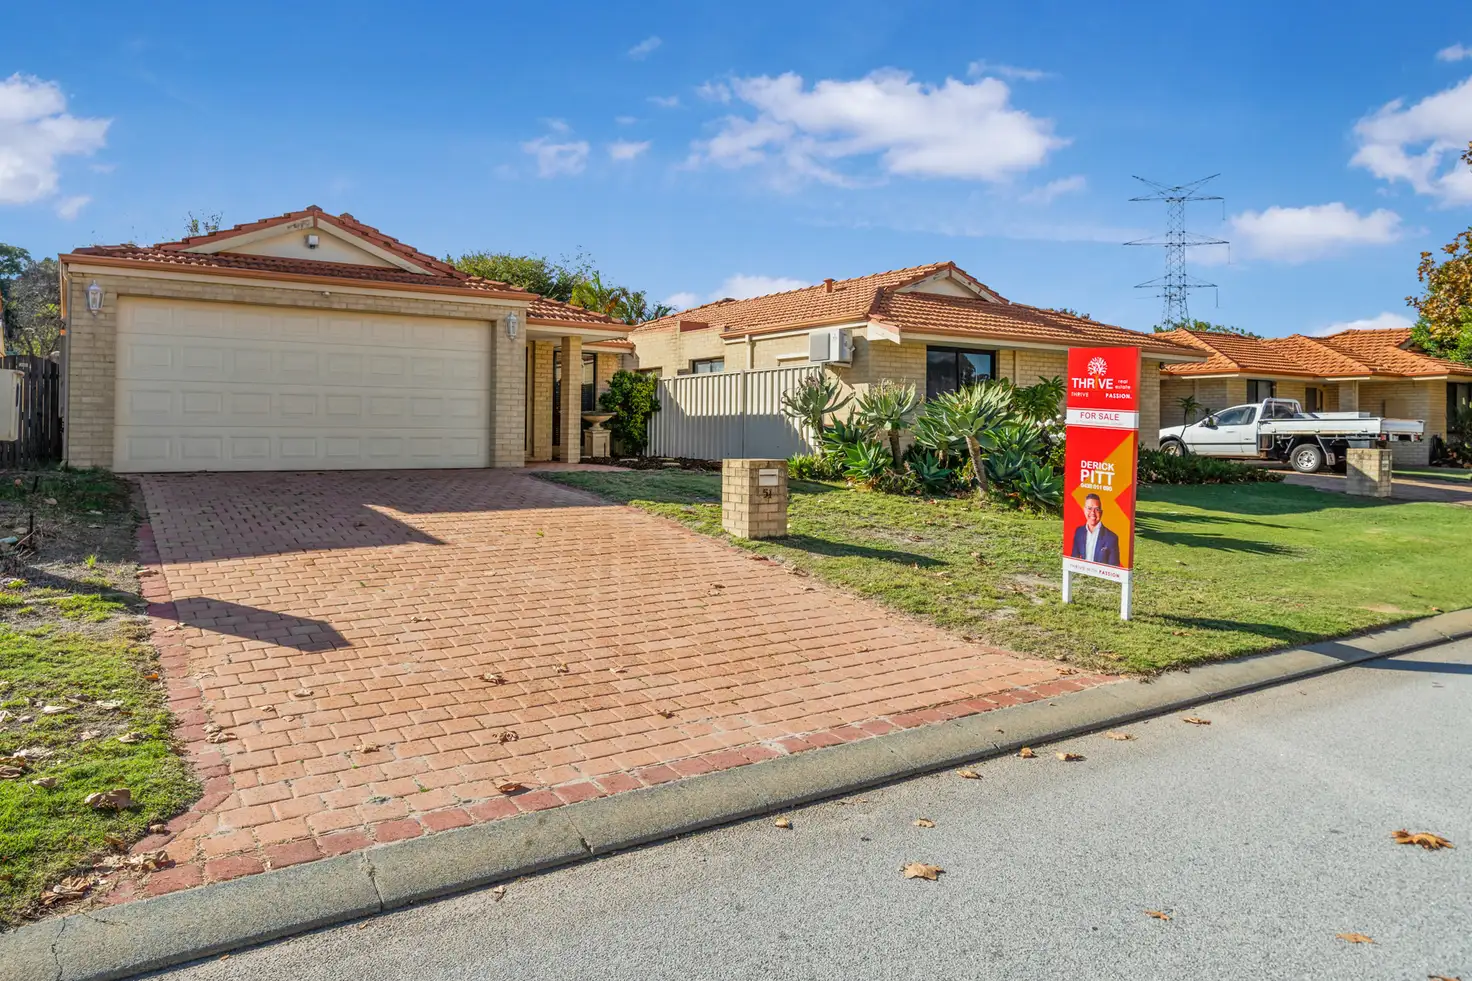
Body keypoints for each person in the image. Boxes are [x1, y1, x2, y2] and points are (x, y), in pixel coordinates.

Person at [1070, 493, 1121, 565]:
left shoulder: (1111, 538)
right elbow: (1074, 558)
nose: (1093, 513)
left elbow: (1114, 567)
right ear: (1084, 510)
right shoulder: (1079, 532)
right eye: (1089, 508)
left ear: (1101, 512)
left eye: (1097, 509)